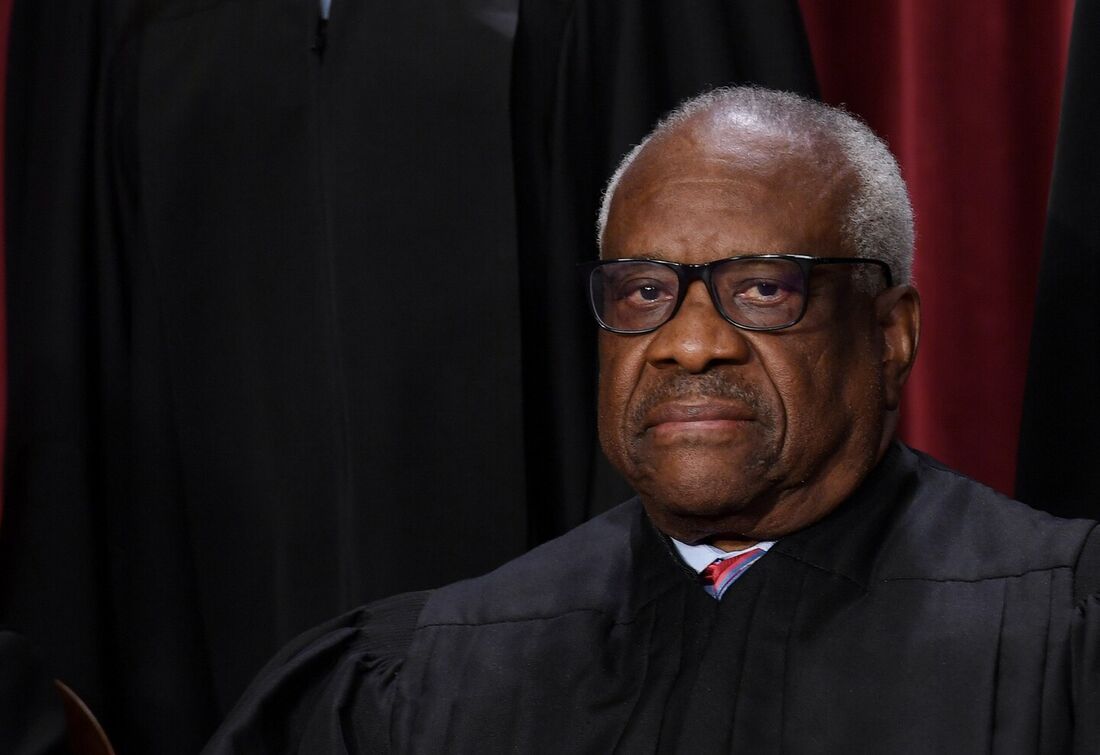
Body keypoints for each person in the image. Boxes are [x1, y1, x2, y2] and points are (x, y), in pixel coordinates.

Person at [203, 87, 1100, 753]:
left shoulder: (1061, 633)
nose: (690, 343)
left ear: (890, 331)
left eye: (761, 287)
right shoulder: (431, 674)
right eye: (643, 291)